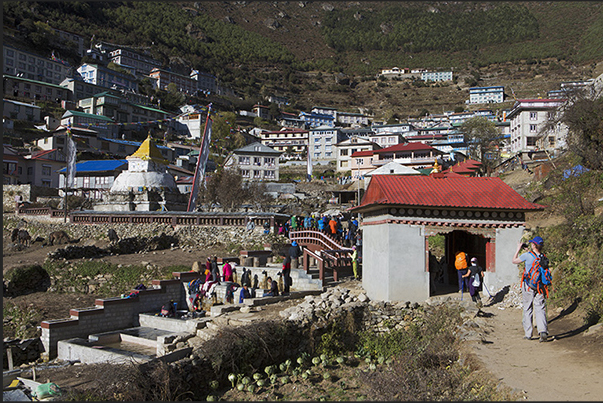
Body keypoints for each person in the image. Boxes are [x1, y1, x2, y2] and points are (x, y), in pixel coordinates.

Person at [513, 236, 549, 342]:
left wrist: (518, 248)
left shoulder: (527, 256)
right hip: (540, 286)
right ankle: (543, 331)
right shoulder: (543, 256)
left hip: (529, 285)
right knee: (540, 308)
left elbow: (514, 261)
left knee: (528, 308)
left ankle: (528, 333)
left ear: (533, 245)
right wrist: (529, 251)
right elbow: (536, 258)